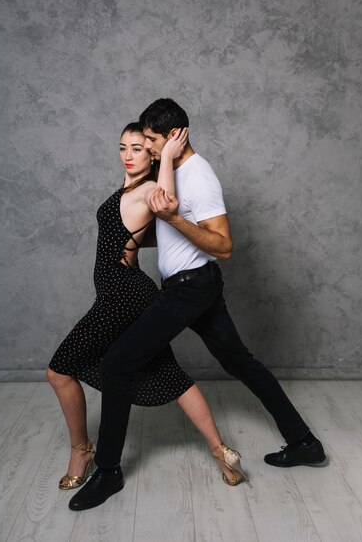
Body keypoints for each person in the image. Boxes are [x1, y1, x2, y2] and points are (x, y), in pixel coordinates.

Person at [68, 99, 326, 512]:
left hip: (189, 289)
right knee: (241, 363)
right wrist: (132, 238)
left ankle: (109, 471)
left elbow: (223, 245)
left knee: (117, 364)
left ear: (173, 136)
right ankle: (304, 442)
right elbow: (172, 228)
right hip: (191, 285)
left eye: (150, 140)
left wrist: (171, 219)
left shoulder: (199, 175)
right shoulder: (172, 173)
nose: (145, 148)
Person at [47, 122, 247, 493]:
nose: (127, 155)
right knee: (168, 373)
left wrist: (167, 156)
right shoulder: (130, 187)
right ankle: (223, 453)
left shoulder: (152, 188)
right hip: (124, 292)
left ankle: (82, 451)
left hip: (122, 294)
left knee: (60, 371)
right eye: (123, 147)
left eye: (138, 148)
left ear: (151, 153)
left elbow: (167, 206)